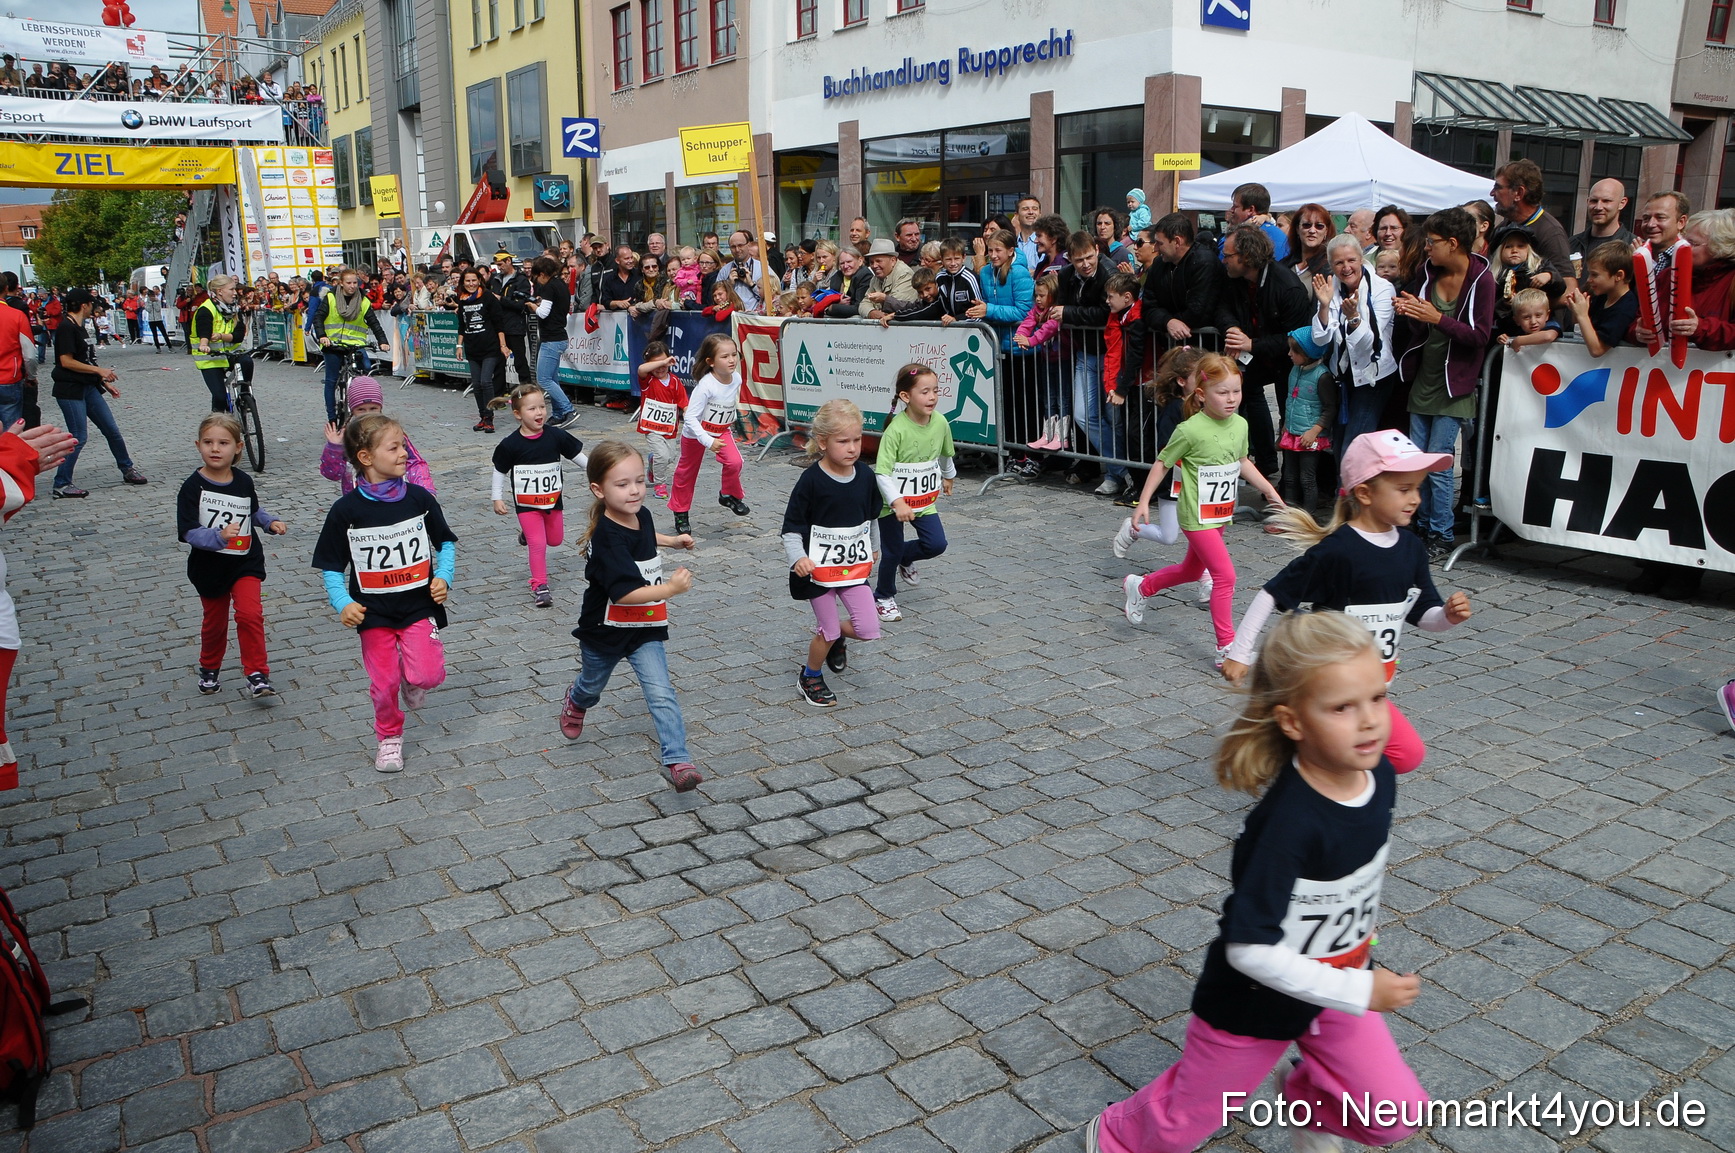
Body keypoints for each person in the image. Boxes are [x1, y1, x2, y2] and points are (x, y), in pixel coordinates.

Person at [1084, 612, 1429, 1153]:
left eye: (1378, 698)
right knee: (1180, 1129)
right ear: (1293, 722)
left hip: (1335, 989)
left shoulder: (1378, 773)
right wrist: (1359, 989)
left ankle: (1305, 1097)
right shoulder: (1286, 825)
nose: (1368, 722)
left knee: (1395, 1116)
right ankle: (1115, 1135)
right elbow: (1249, 947)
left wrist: (1355, 965)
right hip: (1253, 1003)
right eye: (1342, 707)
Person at [1223, 428, 1473, 772]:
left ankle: (1322, 773)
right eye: (1403, 489)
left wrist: (1447, 616)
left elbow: (1423, 613)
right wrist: (1239, 652)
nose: (1415, 498)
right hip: (1328, 686)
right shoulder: (1338, 551)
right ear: (1365, 493)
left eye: (1417, 487)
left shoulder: (1412, 549)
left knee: (1407, 755)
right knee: (1334, 756)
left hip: (1371, 689)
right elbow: (1272, 593)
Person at [311, 414, 456, 774]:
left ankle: (412, 676)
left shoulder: (420, 499)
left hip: (418, 605)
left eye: (403, 445)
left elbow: (446, 542)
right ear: (365, 457)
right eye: (394, 447)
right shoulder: (346, 511)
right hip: (372, 612)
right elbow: (331, 565)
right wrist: (342, 601)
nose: (404, 453)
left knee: (428, 676)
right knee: (383, 682)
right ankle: (389, 738)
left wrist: (445, 576)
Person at [1122, 354, 1284, 665]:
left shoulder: (1240, 424)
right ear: (1202, 395)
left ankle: (1141, 586)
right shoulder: (1190, 430)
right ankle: (1227, 648)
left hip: (1219, 513)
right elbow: (1162, 463)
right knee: (1225, 576)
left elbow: (1242, 462)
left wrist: (1268, 489)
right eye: (1222, 393)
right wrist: (1144, 501)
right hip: (1194, 516)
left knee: (1192, 571)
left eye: (1235, 391)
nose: (1231, 399)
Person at [561, 440, 702, 792]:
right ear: (598, 489)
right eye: (622, 485)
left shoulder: (641, 513)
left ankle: (678, 760)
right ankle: (576, 701)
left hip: (645, 627)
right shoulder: (607, 537)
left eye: (639, 481)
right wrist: (670, 590)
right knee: (592, 686)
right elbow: (625, 594)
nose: (635, 490)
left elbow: (643, 536)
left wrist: (670, 541)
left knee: (661, 692)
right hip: (604, 630)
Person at [1392, 206, 1494, 563]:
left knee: (1438, 463)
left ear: (1453, 243)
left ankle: (1442, 532)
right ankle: (1419, 525)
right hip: (1425, 378)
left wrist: (1436, 317)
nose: (1426, 248)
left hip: (1455, 386)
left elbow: (1480, 336)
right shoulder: (1427, 271)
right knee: (1416, 463)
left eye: (1432, 242)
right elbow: (1422, 329)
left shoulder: (1482, 278)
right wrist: (1411, 312)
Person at [179, 413, 288, 700]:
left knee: (250, 614)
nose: (215, 449)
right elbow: (188, 531)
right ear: (198, 445)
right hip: (210, 566)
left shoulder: (242, 481)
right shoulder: (192, 487)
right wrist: (217, 537)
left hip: (244, 561)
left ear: (238, 447)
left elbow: (252, 510)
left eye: (223, 443)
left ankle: (257, 674)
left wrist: (268, 522)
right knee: (215, 623)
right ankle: (209, 667)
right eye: (208, 442)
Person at [782, 399, 882, 708]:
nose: (852, 448)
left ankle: (836, 636)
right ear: (823, 442)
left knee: (868, 628)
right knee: (825, 629)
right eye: (843, 441)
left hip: (852, 569)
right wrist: (798, 558)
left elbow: (871, 517)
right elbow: (791, 528)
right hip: (819, 574)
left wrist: (875, 547)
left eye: (856, 439)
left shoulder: (865, 476)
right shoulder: (811, 481)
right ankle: (810, 676)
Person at [1216, 225, 1312, 480]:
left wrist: (1251, 345)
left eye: (1228, 255)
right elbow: (1221, 307)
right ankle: (1265, 462)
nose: (1223, 260)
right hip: (1255, 356)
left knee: (1289, 417)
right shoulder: (1232, 279)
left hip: (1287, 362)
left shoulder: (1287, 286)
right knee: (1243, 395)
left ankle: (1292, 485)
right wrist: (1233, 329)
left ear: (1246, 256)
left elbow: (1296, 338)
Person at [872, 364, 954, 623]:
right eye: (925, 392)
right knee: (891, 550)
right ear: (906, 397)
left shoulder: (940, 421)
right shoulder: (896, 430)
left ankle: (906, 558)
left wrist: (949, 475)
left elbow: (944, 452)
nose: (932, 397)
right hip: (892, 505)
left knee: (936, 544)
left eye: (936, 391)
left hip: (923, 501)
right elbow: (882, 473)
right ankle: (883, 596)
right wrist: (897, 502)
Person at [491, 384, 586, 607]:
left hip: (552, 500)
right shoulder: (510, 444)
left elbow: (578, 458)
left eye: (542, 407)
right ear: (518, 414)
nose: (539, 413)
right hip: (526, 504)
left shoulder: (556, 436)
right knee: (538, 544)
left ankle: (525, 534)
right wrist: (497, 497)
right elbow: (499, 470)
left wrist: (600, 475)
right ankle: (540, 586)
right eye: (532, 409)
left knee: (555, 539)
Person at [50, 289, 148, 498]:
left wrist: (101, 381)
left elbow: (85, 361)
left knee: (111, 430)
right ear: (84, 305)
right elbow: (66, 361)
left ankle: (127, 468)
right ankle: (61, 483)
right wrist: (99, 371)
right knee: (78, 436)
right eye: (92, 304)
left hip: (87, 387)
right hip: (70, 390)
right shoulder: (67, 327)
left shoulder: (80, 326)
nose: (94, 309)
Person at [1115, 346, 1208, 563]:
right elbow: (1165, 450)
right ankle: (1132, 529)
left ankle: (1207, 578)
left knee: (1204, 532)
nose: (1206, 381)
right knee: (1168, 536)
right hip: (1174, 482)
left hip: (1200, 482)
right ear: (1181, 381)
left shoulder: (1210, 405)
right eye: (1200, 377)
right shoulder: (1174, 410)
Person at [1050, 233, 1123, 495]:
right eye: (1079, 260)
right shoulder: (1066, 275)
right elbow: (1061, 306)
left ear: (1096, 251)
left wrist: (1070, 313)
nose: (1085, 264)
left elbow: (1107, 312)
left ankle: (1118, 472)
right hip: (1085, 353)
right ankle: (1120, 469)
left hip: (1111, 353)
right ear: (1070, 258)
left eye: (1089, 257)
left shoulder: (1108, 272)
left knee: (1112, 416)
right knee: (1082, 415)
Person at [1120, 215, 1222, 397]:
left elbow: (1199, 309)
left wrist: (1173, 320)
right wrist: (1168, 321)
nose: (1156, 249)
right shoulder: (1159, 265)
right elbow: (1148, 306)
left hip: (1203, 353)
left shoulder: (1204, 262)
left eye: (1160, 243)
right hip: (1170, 352)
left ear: (1177, 241)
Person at [1312, 233, 1397, 447]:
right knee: (1339, 445)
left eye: (1351, 260)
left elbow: (1369, 342)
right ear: (1331, 265)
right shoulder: (1332, 289)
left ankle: (1353, 481)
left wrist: (1353, 319)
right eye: (1339, 262)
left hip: (1373, 375)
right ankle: (1343, 481)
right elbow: (1321, 339)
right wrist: (1323, 305)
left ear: (1361, 259)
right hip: (1342, 375)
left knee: (1354, 444)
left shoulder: (1382, 289)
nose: (1346, 267)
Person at [667, 334, 749, 536]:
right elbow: (691, 418)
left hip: (721, 430)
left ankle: (728, 495)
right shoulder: (705, 386)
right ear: (710, 362)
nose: (731, 360)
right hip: (697, 434)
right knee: (686, 472)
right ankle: (680, 512)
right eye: (725, 357)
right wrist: (707, 440)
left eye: (734, 355)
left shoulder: (736, 378)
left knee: (735, 462)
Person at [319, 376, 433, 495]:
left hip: (394, 497)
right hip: (358, 503)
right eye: (361, 409)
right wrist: (334, 448)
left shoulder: (391, 432)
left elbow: (415, 463)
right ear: (352, 410)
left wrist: (425, 490)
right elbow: (332, 474)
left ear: (380, 407)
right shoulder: (348, 436)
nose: (368, 414)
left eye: (373, 408)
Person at [312, 268, 390, 425]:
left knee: (366, 370)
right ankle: (332, 418)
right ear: (341, 283)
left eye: (355, 282)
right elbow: (318, 318)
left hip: (355, 345)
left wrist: (383, 341)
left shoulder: (363, 300)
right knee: (331, 380)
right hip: (333, 345)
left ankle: (364, 410)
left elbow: (373, 323)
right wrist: (322, 336)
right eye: (349, 283)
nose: (352, 286)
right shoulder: (331, 298)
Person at [1491, 159, 1575, 294]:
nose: (1492, 193)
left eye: (1497, 187)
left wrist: (1525, 308)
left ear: (1518, 193)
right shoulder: (1506, 224)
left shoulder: (1551, 232)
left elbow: (1569, 290)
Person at [1277, 330, 1337, 513]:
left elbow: (1330, 408)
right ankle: (1288, 515)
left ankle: (1307, 518)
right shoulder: (1295, 370)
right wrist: (1286, 425)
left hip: (1310, 436)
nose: (1289, 354)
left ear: (1307, 354)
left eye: (1293, 352)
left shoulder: (1322, 376)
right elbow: (1291, 400)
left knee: (1307, 479)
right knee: (1289, 477)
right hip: (1292, 432)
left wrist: (1315, 431)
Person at [1013, 274, 1065, 460]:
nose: (1037, 299)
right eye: (1036, 295)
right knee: (1048, 397)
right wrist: (1021, 335)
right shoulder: (1037, 310)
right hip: (1047, 358)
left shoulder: (1056, 311)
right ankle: (1048, 433)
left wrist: (1030, 340)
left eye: (1042, 296)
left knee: (1062, 398)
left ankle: (1062, 435)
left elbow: (1048, 329)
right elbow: (1028, 321)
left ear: (1052, 295)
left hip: (1062, 358)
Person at [450, 268, 508, 432]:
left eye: (474, 280)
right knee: (476, 384)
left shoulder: (487, 296)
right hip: (472, 347)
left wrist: (503, 345)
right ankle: (482, 416)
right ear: (463, 282)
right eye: (467, 281)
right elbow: (462, 326)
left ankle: (489, 418)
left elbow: (499, 323)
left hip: (490, 347)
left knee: (485, 381)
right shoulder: (462, 299)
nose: (471, 284)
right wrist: (459, 345)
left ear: (479, 281)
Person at [190, 275, 253, 414]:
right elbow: (204, 331)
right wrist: (204, 343)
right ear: (220, 291)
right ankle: (217, 423)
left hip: (231, 353)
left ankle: (245, 395)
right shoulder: (206, 309)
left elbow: (238, 335)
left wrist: (221, 336)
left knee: (247, 361)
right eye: (231, 289)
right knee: (220, 397)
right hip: (211, 358)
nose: (235, 292)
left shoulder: (235, 309)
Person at [529, 255, 580, 429]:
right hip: (558, 337)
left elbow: (543, 313)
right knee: (552, 378)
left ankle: (568, 409)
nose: (537, 280)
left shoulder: (548, 288)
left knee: (543, 379)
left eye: (537, 276)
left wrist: (532, 306)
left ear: (543, 274)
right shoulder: (561, 286)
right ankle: (558, 414)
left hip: (552, 338)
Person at [1563, 241, 1636, 358]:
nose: (1588, 280)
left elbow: (1597, 349)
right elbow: (1580, 331)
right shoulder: (1601, 296)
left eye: (1594, 275)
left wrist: (1582, 315)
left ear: (1619, 275)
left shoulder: (1625, 307)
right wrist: (1576, 311)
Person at [635, 340, 687, 498]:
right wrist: (663, 361)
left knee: (670, 457)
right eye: (655, 364)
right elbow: (641, 369)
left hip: (669, 427)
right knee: (662, 456)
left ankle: (653, 464)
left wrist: (688, 413)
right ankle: (660, 484)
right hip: (651, 427)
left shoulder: (676, 382)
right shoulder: (648, 380)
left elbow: (684, 402)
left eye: (664, 363)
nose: (660, 367)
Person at [1490, 224, 1562, 336]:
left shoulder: (1540, 266)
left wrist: (1550, 276)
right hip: (1509, 327)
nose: (1514, 250)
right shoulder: (1494, 275)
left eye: (1521, 246)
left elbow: (1560, 288)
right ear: (1499, 250)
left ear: (1529, 249)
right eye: (1508, 246)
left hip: (1540, 325)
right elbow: (1489, 309)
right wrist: (1504, 304)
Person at [1569, 178, 1635, 277]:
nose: (1598, 207)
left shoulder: (1633, 247)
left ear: (1622, 203)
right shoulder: (1570, 244)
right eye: (1594, 201)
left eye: (1606, 201)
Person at [1223, 183, 1290, 263]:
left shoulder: (1243, 235)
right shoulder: (1279, 234)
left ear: (1251, 210)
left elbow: (1222, 263)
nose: (1232, 210)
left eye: (1235, 206)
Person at [0, 294, 34, 430]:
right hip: (9, 376)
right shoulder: (16, 315)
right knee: (11, 429)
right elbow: (30, 354)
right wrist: (31, 376)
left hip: (10, 376)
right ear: (6, 289)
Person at [862, 239, 916, 313]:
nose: (874, 266)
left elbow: (900, 307)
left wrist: (884, 299)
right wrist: (871, 312)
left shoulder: (904, 275)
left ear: (893, 261)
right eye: (871, 262)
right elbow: (864, 303)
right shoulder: (876, 278)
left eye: (878, 261)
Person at [1286, 204, 1335, 279]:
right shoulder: (1284, 265)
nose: (1312, 231)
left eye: (1319, 226)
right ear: (1297, 229)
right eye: (1306, 225)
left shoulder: (1332, 268)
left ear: (1326, 231)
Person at [598, 245, 643, 312]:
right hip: (616, 319)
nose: (630, 261)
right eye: (626, 258)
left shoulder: (640, 275)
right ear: (617, 261)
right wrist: (617, 303)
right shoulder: (609, 279)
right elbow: (605, 301)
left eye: (631, 257)